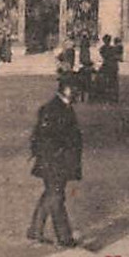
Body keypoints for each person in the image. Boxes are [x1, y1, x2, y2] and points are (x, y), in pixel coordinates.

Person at [27, 79, 83, 247]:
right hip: (55, 162)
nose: (77, 94)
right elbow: (44, 137)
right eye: (74, 89)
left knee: (51, 194)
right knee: (57, 197)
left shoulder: (62, 107)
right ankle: (64, 237)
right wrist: (56, 155)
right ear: (65, 89)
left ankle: (35, 231)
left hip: (57, 161)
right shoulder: (53, 109)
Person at [97, 35, 121, 103]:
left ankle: (107, 97)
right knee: (113, 82)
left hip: (107, 66)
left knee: (105, 82)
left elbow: (103, 55)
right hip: (113, 66)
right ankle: (114, 97)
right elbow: (118, 57)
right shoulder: (113, 48)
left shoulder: (103, 48)